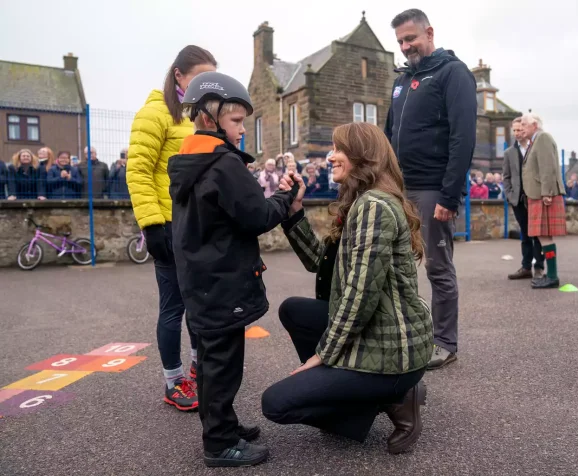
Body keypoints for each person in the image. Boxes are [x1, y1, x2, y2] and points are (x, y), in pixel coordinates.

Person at [262, 122, 433, 455]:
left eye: (339, 149)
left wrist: (324, 354)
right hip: (378, 333)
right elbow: (320, 263)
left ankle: (392, 396)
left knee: (276, 404)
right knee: (294, 310)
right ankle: (366, 393)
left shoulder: (374, 207)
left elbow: (359, 296)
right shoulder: (361, 202)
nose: (330, 156)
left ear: (362, 155)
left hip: (392, 350)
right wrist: (294, 210)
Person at [168, 71, 299, 467]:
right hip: (223, 281)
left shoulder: (191, 159)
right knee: (223, 364)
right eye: (237, 121)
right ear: (210, 117)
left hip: (202, 281)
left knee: (209, 362)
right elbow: (256, 215)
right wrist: (285, 196)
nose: (243, 130)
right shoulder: (222, 163)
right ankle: (220, 443)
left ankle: (220, 424)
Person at [385, 8, 477, 369]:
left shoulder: (453, 73)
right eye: (401, 42)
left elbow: (463, 137)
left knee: (437, 267)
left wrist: (450, 194)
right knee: (398, 267)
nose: (406, 46)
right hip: (399, 189)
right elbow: (390, 137)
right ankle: (408, 334)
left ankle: (444, 342)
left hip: (432, 190)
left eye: (411, 38)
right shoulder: (401, 81)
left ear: (429, 33)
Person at [127, 45, 217, 411]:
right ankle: (173, 380)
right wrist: (151, 225)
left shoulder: (198, 116)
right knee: (173, 308)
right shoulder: (155, 112)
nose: (205, 85)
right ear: (179, 75)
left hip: (196, 226)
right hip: (168, 226)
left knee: (198, 302)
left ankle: (197, 367)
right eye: (199, 76)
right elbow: (138, 171)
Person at [520, 113, 566, 289]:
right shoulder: (535, 140)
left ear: (534, 125)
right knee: (543, 235)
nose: (522, 128)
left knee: (545, 235)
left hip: (544, 195)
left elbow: (547, 166)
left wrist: (547, 192)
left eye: (524, 124)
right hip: (538, 194)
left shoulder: (543, 138)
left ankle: (553, 277)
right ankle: (551, 274)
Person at [503, 117, 544, 280]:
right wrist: (510, 194)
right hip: (518, 200)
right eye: (514, 130)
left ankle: (539, 267)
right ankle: (526, 267)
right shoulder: (509, 153)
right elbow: (506, 176)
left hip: (535, 198)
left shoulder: (536, 148)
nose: (517, 133)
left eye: (519, 129)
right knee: (525, 234)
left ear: (526, 129)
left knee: (538, 234)